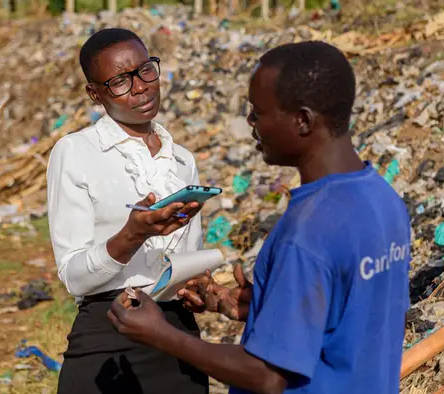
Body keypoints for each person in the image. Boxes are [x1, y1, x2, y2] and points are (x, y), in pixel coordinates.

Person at [106, 40, 412, 394]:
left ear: (302, 120)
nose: (250, 122)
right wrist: (269, 305)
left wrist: (160, 333)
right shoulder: (383, 199)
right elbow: (360, 313)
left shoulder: (310, 230)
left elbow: (267, 376)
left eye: (258, 112)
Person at [46, 28, 209, 394]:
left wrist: (200, 287)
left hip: (176, 335)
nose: (140, 88)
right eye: (120, 81)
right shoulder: (75, 152)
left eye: (145, 70)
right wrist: (133, 235)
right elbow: (74, 276)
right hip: (109, 332)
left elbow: (188, 260)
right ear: (95, 93)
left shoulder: (182, 160)